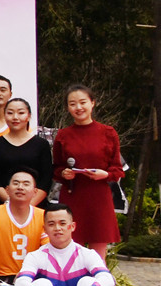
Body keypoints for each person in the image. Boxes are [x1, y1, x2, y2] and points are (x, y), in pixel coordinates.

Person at [52, 85, 123, 256]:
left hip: (99, 196)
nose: (78, 107)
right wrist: (64, 173)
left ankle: (98, 275)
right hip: (73, 195)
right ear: (67, 108)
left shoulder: (108, 133)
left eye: (83, 102)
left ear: (92, 103)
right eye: (72, 104)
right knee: (70, 251)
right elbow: (56, 168)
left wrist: (105, 175)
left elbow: (117, 169)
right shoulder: (63, 135)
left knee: (97, 254)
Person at [0, 171, 47, 284]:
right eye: (16, 183)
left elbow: (48, 251)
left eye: (26, 184)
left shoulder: (43, 216)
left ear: (35, 192)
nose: (20, 187)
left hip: (32, 278)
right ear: (7, 190)